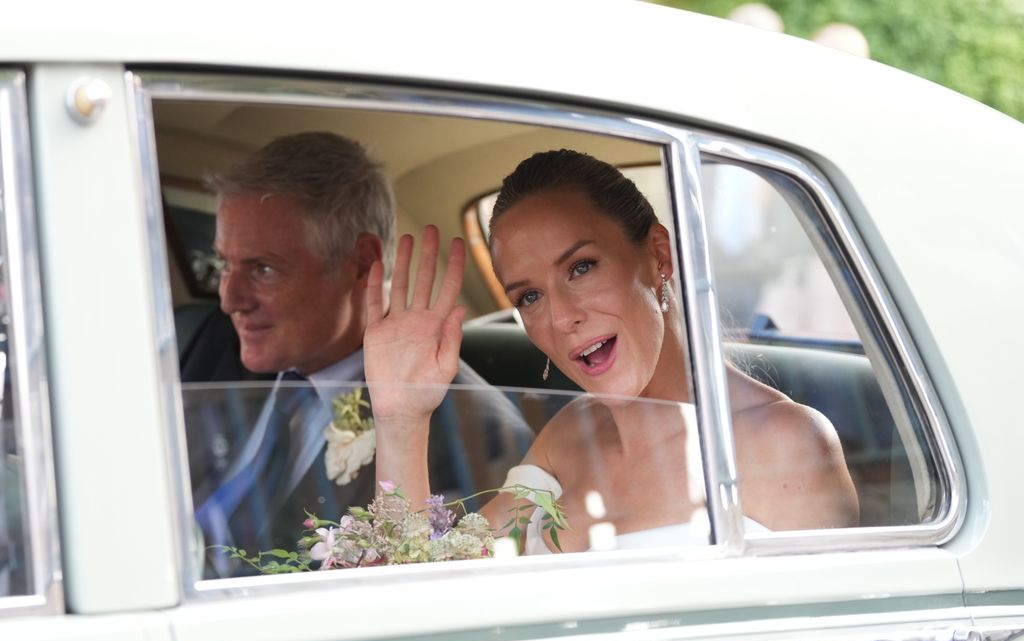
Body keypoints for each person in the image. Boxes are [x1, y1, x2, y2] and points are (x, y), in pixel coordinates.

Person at [364, 149, 859, 555]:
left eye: (581, 268)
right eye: (529, 297)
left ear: (658, 255)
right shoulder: (567, 437)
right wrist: (401, 419)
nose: (560, 318)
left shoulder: (786, 444)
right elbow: (434, 589)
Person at [184, 132, 532, 575]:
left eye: (263, 269)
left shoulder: (472, 434)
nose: (229, 299)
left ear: (362, 264)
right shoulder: (213, 351)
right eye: (225, 265)